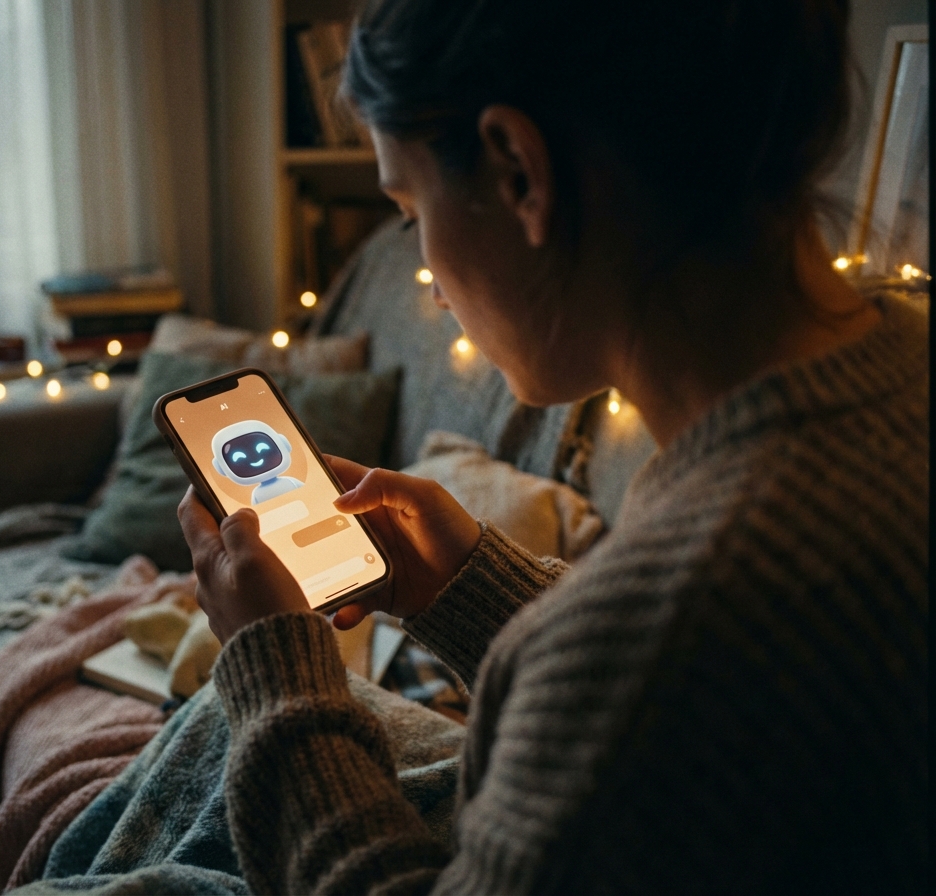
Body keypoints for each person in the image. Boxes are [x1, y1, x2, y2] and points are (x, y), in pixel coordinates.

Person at [178, 0, 928, 892]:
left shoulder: (673, 621)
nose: (432, 283)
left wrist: (274, 674)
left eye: (412, 214)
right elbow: (695, 738)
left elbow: (654, 672)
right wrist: (469, 589)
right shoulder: (897, 375)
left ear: (518, 171)